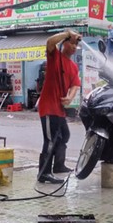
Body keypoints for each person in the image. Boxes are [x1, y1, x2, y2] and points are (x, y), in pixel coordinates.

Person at [37, 29, 82, 184]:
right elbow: (50, 42)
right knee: (50, 140)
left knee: (64, 135)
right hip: (48, 106)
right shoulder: (54, 56)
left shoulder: (73, 66)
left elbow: (75, 85)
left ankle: (59, 165)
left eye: (76, 44)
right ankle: (43, 173)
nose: (75, 46)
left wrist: (70, 97)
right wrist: (67, 33)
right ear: (64, 44)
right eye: (72, 42)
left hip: (60, 109)